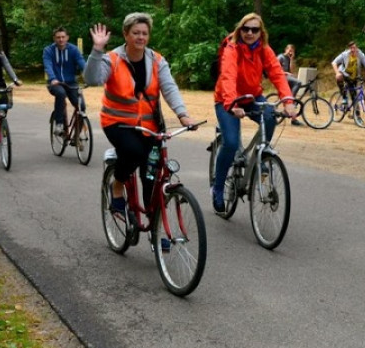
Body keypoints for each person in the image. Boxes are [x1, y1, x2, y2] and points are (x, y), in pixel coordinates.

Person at [84, 13, 197, 218]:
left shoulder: (156, 60)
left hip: (150, 127)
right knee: (134, 152)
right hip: (118, 123)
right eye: (136, 32)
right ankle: (117, 187)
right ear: (126, 34)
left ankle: (156, 229)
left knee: (151, 178)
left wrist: (183, 115)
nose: (141, 37)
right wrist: (97, 49)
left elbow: (169, 88)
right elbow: (92, 79)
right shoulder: (112, 59)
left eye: (145, 33)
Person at [211, 13, 298, 213]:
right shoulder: (232, 48)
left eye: (255, 29)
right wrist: (232, 103)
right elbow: (228, 76)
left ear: (261, 32)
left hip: (252, 97)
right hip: (227, 99)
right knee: (231, 143)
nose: (250, 33)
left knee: (270, 116)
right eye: (246, 29)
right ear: (240, 29)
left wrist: (288, 101)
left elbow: (277, 73)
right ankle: (217, 188)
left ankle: (262, 154)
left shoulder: (264, 49)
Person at [42, 27, 87, 136]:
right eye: (58, 37)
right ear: (54, 39)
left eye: (63, 37)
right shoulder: (48, 51)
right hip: (55, 83)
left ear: (67, 37)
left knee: (81, 106)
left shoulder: (74, 50)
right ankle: (59, 123)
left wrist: (89, 76)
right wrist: (52, 78)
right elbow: (48, 66)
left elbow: (82, 64)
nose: (61, 40)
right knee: (61, 93)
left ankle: (77, 133)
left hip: (71, 83)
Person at [332, 41, 365, 107]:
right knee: (339, 77)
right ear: (349, 48)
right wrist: (337, 73)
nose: (352, 50)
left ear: (357, 48)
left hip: (354, 76)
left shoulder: (361, 55)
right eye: (351, 48)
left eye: (354, 48)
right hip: (344, 74)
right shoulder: (345, 54)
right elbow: (334, 62)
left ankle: (356, 115)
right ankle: (344, 97)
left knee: (354, 96)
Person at [276, 44, 304, 126]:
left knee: (291, 101)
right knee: (298, 83)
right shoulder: (280, 57)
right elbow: (275, 69)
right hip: (281, 77)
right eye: (289, 50)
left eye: (292, 51)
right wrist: (285, 73)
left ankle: (294, 119)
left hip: (287, 78)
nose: (290, 52)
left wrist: (291, 59)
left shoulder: (288, 59)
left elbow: (291, 71)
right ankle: (290, 99)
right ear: (286, 50)